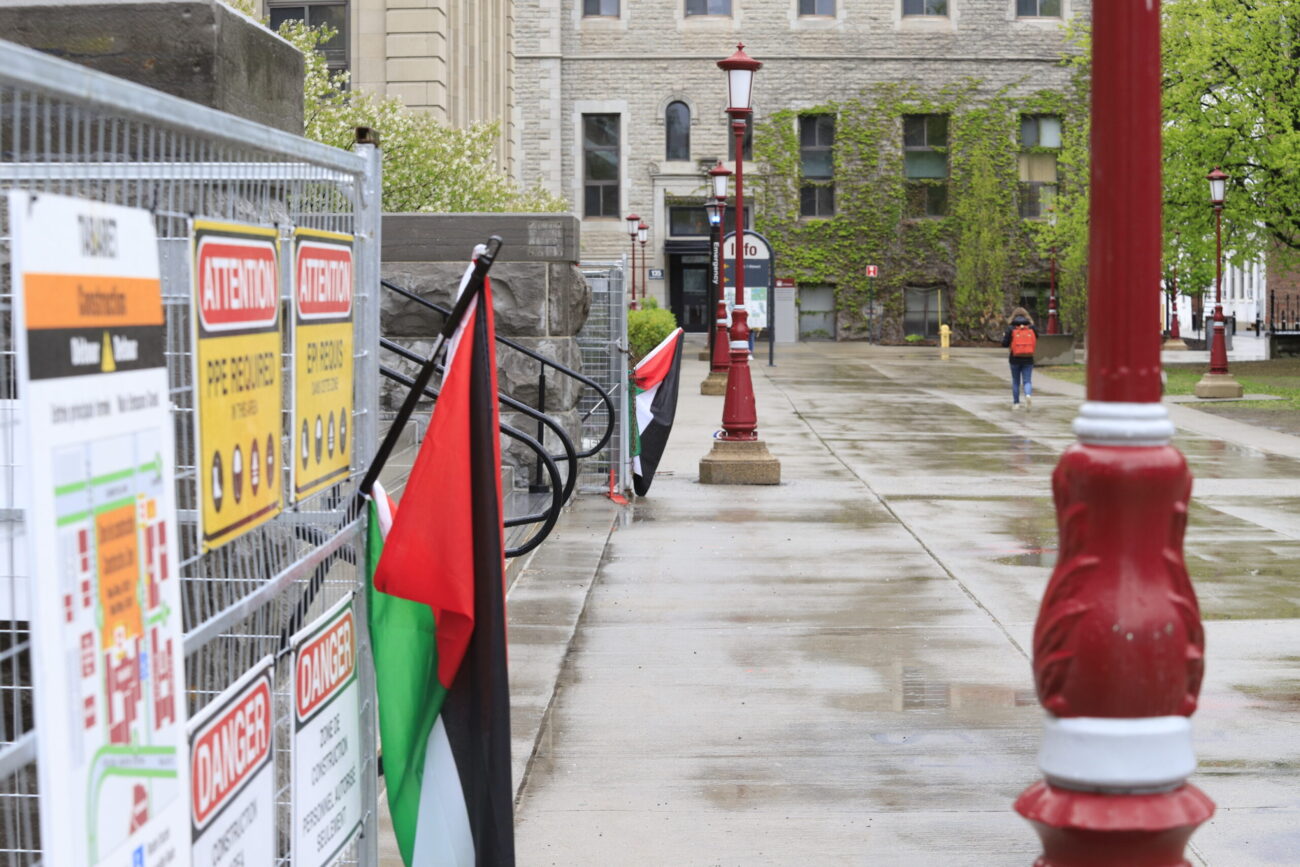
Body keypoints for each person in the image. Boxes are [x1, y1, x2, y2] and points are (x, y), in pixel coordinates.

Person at [1001, 306, 1038, 410]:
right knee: (1027, 381)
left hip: (1014, 358)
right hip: (1029, 358)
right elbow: (1037, 338)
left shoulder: (1011, 328)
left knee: (1015, 381)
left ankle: (1016, 403)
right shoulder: (1031, 327)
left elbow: (1004, 343)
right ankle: (1028, 395)